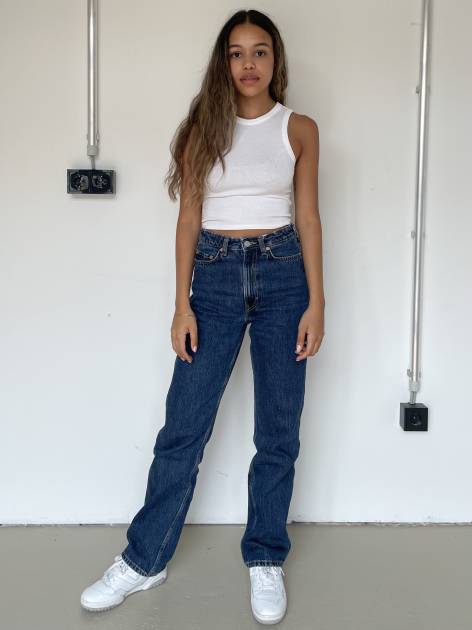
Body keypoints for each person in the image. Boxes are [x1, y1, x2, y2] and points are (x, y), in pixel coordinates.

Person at [80, 8, 324, 625]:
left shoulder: (299, 129)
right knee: (183, 428)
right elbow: (188, 218)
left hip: (283, 275)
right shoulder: (201, 129)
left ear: (276, 59)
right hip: (213, 278)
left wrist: (317, 302)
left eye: (260, 51)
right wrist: (181, 303)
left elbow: (309, 217)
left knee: (278, 430)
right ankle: (145, 559)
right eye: (237, 53)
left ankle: (265, 555)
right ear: (224, 62)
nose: (249, 63)